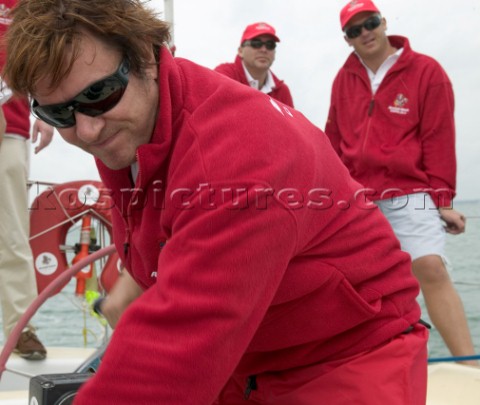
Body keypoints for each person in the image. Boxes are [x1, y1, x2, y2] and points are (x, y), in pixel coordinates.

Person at [4, 1, 428, 403]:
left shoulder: (238, 155)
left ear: (148, 58)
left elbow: (176, 357)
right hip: (247, 361)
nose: (88, 130)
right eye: (61, 115)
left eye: (101, 95)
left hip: (347, 355)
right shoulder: (127, 130)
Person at [325, 0, 477, 365]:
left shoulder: (427, 71)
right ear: (347, 39)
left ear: (384, 23)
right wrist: (331, 196)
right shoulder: (341, 79)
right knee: (350, 284)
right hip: (356, 194)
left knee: (430, 267)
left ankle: (470, 365)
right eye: (354, 30)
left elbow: (439, 139)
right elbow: (332, 140)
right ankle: (368, 366)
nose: (365, 33)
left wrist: (442, 201)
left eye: (370, 23)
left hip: (410, 191)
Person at [0, 0, 53, 360]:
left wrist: (47, 112)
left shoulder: (29, 6)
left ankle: (20, 327)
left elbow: (45, 58)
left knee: (12, 232)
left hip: (11, 129)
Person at [215, 22, 294, 107]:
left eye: (270, 45)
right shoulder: (223, 76)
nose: (264, 50)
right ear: (240, 51)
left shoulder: (282, 91)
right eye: (256, 44)